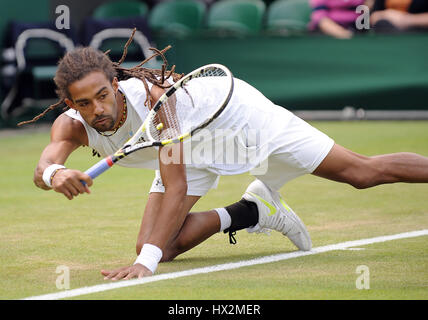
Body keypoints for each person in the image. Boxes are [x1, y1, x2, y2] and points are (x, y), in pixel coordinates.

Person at [24, 39, 428, 281]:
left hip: (241, 121)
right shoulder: (71, 125)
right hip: (193, 147)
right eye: (84, 103)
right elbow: (44, 167)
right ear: (69, 104)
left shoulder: (154, 103)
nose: (97, 109)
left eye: (103, 95)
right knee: (159, 247)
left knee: (361, 173)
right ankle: (255, 210)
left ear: (115, 84)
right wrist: (56, 174)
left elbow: (176, 184)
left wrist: (142, 267)